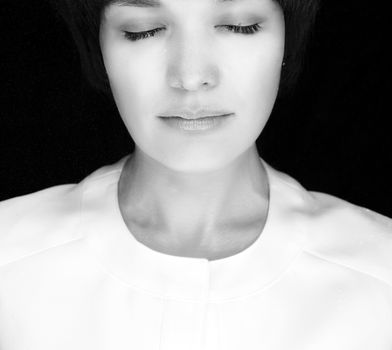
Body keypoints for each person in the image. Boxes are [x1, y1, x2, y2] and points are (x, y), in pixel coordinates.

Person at [0, 0, 391, 349]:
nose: (191, 76)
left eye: (239, 25)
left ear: (286, 39)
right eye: (144, 30)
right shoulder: (11, 262)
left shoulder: (379, 275)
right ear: (99, 45)